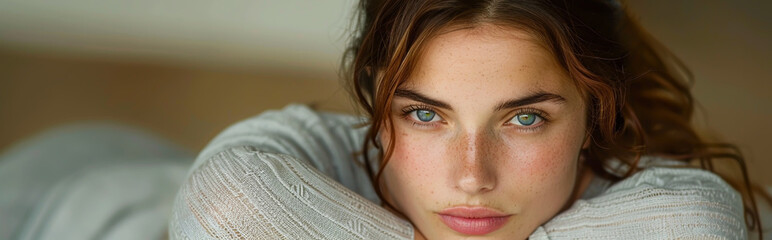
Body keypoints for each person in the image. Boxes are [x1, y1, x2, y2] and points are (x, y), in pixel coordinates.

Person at [169, 0, 765, 239]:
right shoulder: (304, 165)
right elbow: (226, 204)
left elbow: (691, 223)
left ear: (595, 111)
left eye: (525, 118)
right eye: (425, 114)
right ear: (376, 106)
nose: (472, 178)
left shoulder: (679, 204)